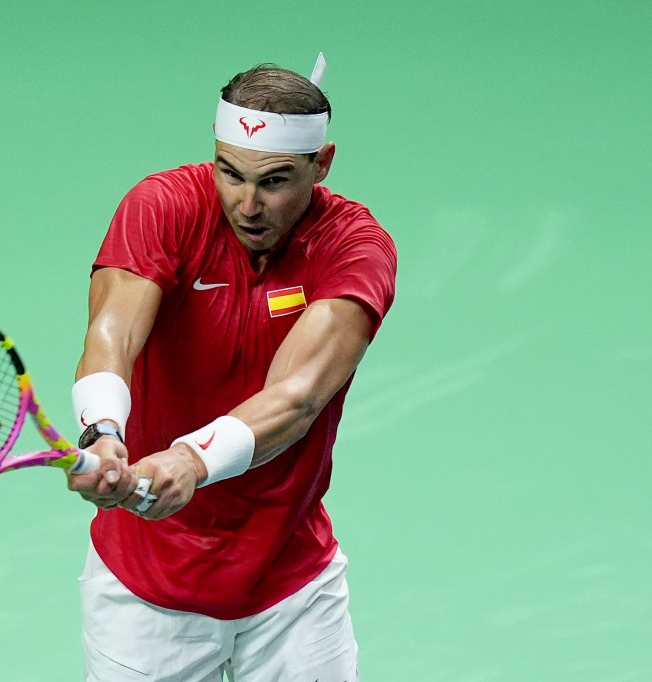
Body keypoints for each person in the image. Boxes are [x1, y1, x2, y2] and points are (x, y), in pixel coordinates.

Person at [67, 54, 397, 681]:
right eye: (230, 173)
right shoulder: (162, 205)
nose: (247, 204)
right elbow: (111, 331)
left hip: (291, 590)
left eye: (274, 181)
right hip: (143, 593)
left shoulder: (355, 246)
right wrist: (102, 430)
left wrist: (191, 459)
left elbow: (297, 398)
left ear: (320, 165)